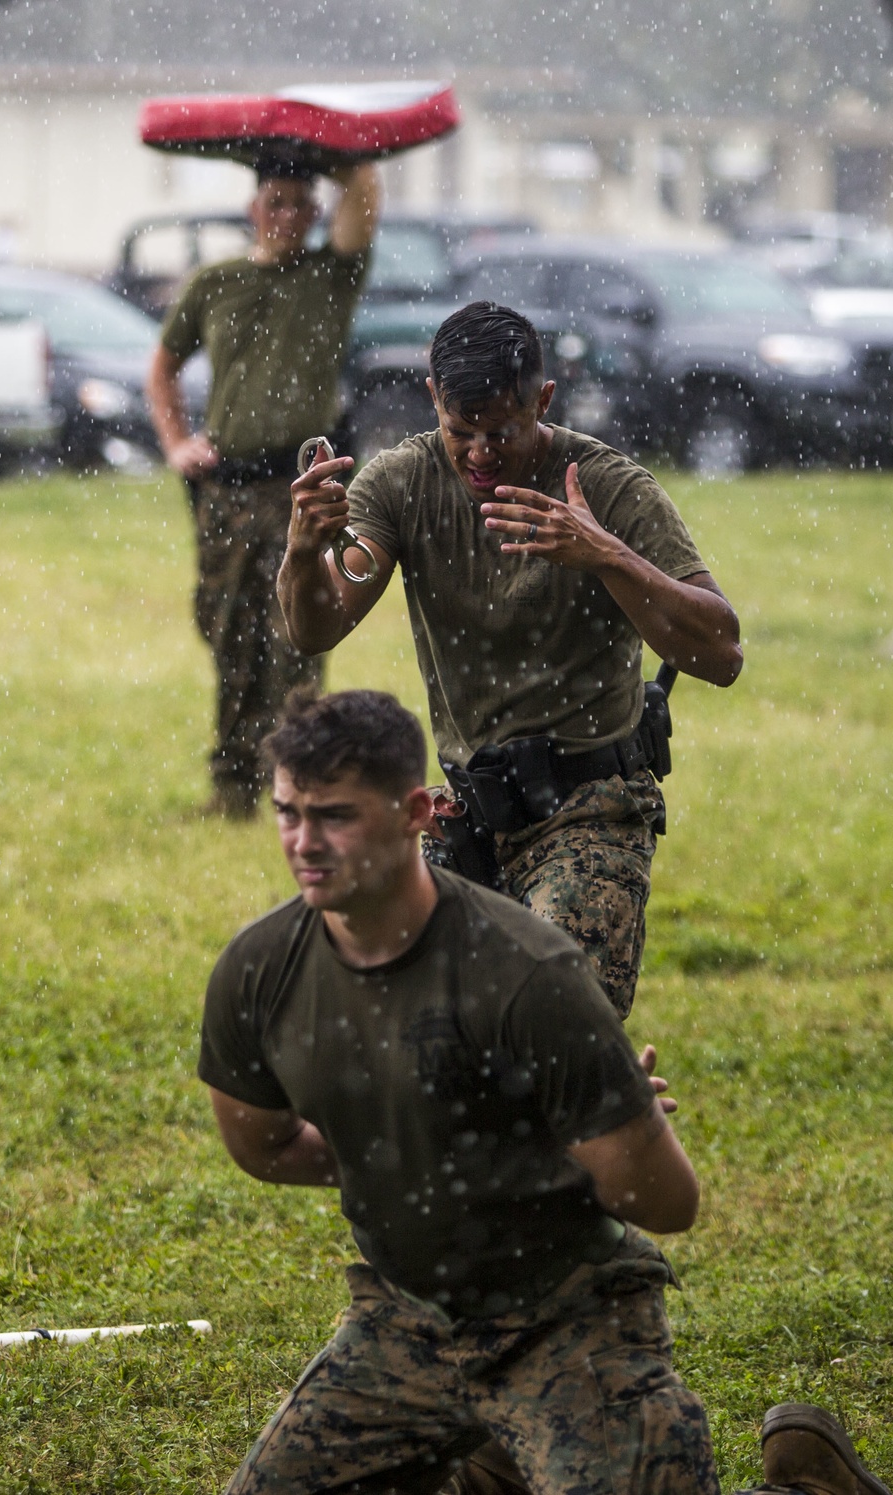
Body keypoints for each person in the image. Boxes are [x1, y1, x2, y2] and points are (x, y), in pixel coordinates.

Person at [198, 687, 891, 1495]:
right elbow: (266, 1144)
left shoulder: (526, 974)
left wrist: (602, 1129)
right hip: (406, 1318)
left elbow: (669, 1204)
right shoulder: (258, 971)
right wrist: (449, 1142)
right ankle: (499, 1472)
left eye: (336, 817)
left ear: (418, 810)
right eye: (288, 812)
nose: (304, 843)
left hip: (567, 1315)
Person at [277, 301, 743, 1019]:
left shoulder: (606, 486)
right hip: (468, 814)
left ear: (543, 400)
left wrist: (605, 554)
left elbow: (721, 651)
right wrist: (303, 550)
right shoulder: (403, 483)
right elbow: (317, 626)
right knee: (398, 1021)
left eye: (502, 431)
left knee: (555, 1025)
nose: (479, 454)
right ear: (433, 398)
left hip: (590, 805)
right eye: (459, 432)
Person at [147, 159, 381, 817]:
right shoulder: (216, 282)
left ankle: (297, 787)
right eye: (276, 202)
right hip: (227, 489)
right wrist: (176, 443)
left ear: (315, 214)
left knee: (298, 633)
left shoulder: (331, 277)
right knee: (227, 629)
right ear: (253, 208)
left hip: (303, 485)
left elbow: (363, 196)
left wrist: (344, 157)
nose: (288, 216)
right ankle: (231, 788)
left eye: (301, 205)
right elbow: (162, 369)